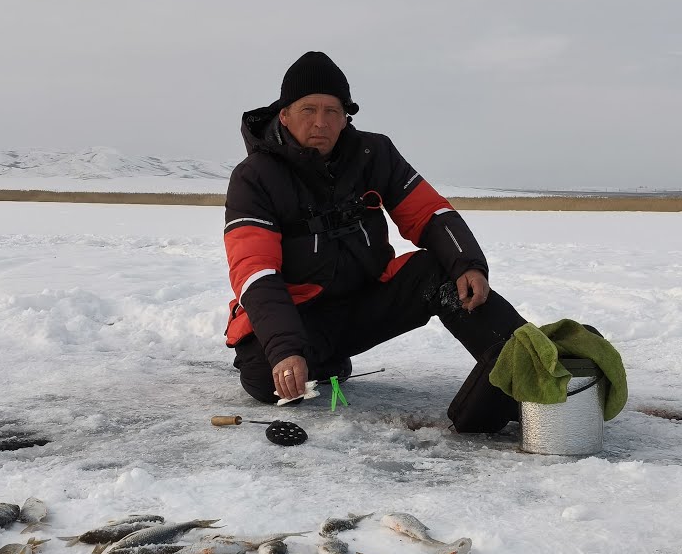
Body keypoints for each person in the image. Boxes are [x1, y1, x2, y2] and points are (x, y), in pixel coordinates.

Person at [222, 51, 527, 406]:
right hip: (300, 314)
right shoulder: (254, 177)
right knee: (266, 376)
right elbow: (255, 271)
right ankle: (319, 360)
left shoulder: (373, 152)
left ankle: (530, 369)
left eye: (332, 111)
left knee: (445, 272)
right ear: (285, 114)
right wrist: (286, 348)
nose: (321, 122)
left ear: (345, 117)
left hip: (365, 301)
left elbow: (429, 212)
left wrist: (469, 263)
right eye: (309, 110)